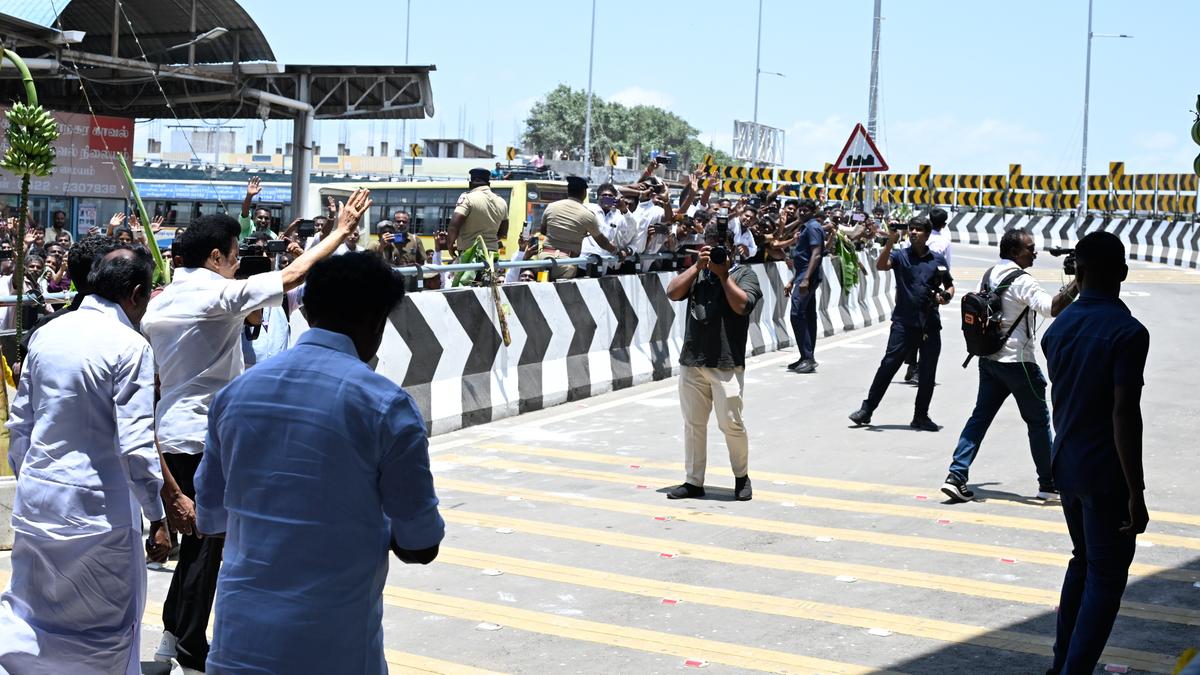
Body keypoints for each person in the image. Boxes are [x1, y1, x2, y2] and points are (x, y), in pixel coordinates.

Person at [144, 189, 373, 672]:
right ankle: (189, 645)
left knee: (197, 549)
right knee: (208, 547)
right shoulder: (215, 293)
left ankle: (170, 639)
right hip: (207, 436)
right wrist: (338, 232)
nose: (236, 267)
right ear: (215, 258)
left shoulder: (160, 299)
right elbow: (292, 275)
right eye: (233, 258)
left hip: (171, 433)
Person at [195, 252, 443, 674]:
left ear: (306, 310)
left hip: (239, 643)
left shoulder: (236, 395)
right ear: (378, 321)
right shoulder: (385, 405)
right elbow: (420, 545)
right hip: (334, 647)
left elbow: (211, 518)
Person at [0, 247, 169, 675]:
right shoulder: (130, 345)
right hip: (100, 516)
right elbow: (136, 446)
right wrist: (157, 515)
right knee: (105, 631)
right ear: (136, 294)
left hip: (39, 501)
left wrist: (39, 480)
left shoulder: (46, 334)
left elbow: (21, 426)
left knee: (31, 616)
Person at [1041, 231, 1148, 675]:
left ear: (1078, 272)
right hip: (1106, 473)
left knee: (1082, 562)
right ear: (1122, 273)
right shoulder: (1128, 332)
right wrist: (1136, 492)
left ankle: (1061, 663)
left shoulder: (1059, 328)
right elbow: (1125, 415)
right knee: (1106, 578)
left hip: (1066, 464)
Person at [941, 229, 1078, 502]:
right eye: (1030, 248)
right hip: (1019, 363)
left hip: (989, 360)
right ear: (1015, 252)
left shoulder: (990, 273)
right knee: (1038, 422)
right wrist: (1078, 281)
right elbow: (1051, 308)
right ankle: (1048, 484)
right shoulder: (1023, 281)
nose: (1034, 253)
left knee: (979, 418)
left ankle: (956, 475)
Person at [664, 221, 762, 502]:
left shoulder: (744, 274)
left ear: (731, 246)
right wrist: (697, 266)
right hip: (693, 360)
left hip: (726, 362)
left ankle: (742, 477)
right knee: (693, 424)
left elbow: (743, 305)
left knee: (731, 423)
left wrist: (722, 275)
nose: (715, 248)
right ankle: (694, 481)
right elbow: (672, 292)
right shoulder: (697, 272)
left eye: (721, 244)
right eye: (710, 242)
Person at [849, 217, 955, 431]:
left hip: (930, 324)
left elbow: (950, 285)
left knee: (927, 371)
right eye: (911, 229)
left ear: (927, 234)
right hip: (904, 323)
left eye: (918, 230)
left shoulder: (937, 260)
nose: (914, 232)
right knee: (888, 365)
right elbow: (880, 266)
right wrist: (890, 241)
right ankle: (867, 409)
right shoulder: (900, 255)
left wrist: (946, 296)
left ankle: (920, 416)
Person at [904, 207, 953, 383]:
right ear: (944, 224)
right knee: (924, 329)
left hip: (912, 290)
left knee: (915, 327)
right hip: (931, 292)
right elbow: (947, 269)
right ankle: (915, 367)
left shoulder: (915, 236)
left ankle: (913, 364)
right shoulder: (945, 242)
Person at [539, 176, 620, 280]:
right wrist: (615, 250)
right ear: (584, 193)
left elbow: (543, 231)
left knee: (540, 288)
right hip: (565, 263)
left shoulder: (551, 206)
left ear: (568, 192)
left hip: (544, 259)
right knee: (563, 294)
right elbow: (601, 241)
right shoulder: (587, 215)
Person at [785, 198, 824, 374]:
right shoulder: (805, 227)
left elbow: (816, 254)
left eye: (806, 209)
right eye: (800, 209)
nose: (801, 212)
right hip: (802, 274)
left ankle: (808, 357)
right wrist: (793, 280)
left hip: (808, 276)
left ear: (813, 211)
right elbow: (803, 259)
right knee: (808, 315)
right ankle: (805, 356)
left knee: (796, 313)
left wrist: (806, 279)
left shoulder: (813, 227)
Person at [447, 168, 509, 258]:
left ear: (470, 183)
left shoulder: (467, 198)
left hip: (469, 254)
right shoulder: (501, 201)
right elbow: (503, 232)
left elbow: (453, 226)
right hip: (491, 256)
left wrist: (450, 245)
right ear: (489, 184)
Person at [584, 182, 637, 275]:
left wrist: (624, 210)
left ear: (614, 199)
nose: (607, 198)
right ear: (598, 197)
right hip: (586, 262)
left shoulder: (618, 216)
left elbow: (632, 229)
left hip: (607, 264)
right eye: (604, 195)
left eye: (610, 196)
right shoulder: (589, 210)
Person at [238, 176, 278, 240]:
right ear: (254, 218)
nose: (263, 221)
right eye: (260, 217)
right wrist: (249, 196)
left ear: (270, 221)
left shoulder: (273, 237)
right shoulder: (247, 227)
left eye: (267, 218)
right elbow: (245, 214)